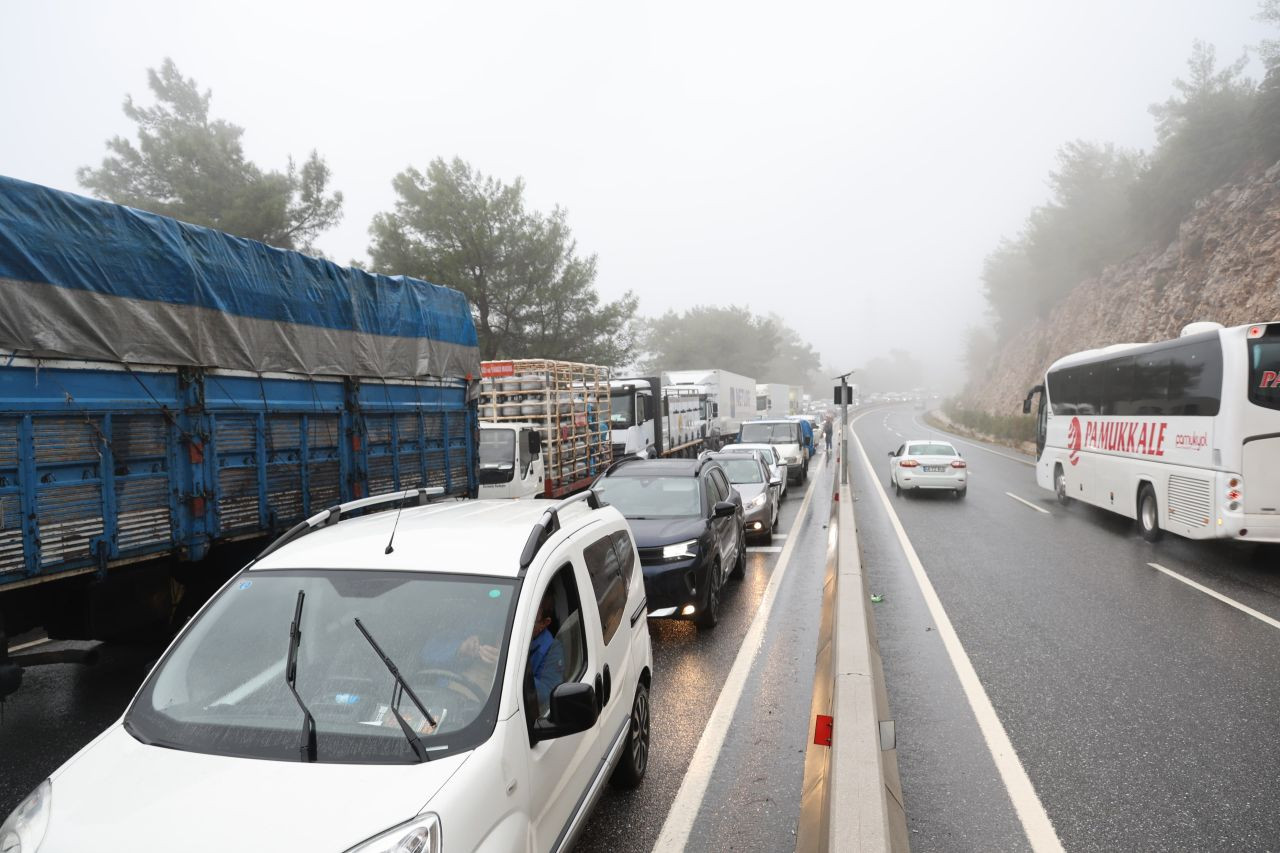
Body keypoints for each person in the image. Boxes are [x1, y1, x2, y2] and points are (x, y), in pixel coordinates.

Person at [529, 590, 566, 716]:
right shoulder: (503, 627)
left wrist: (517, 673)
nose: (524, 624)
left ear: (545, 623)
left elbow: (548, 695)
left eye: (531, 621)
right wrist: (466, 648)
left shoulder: (553, 650)